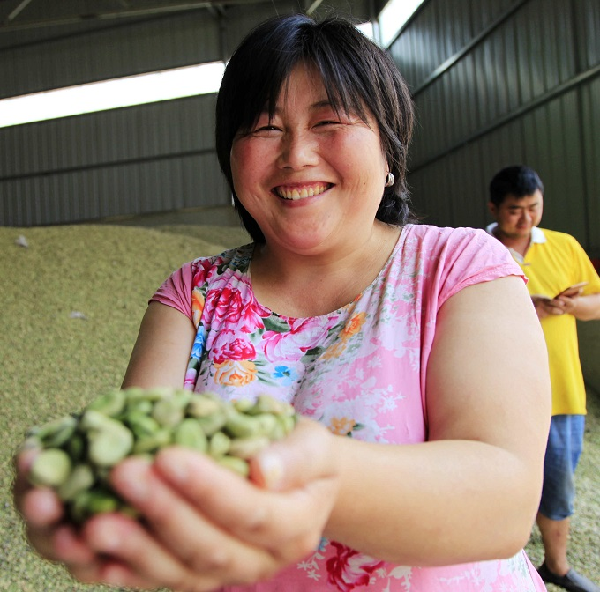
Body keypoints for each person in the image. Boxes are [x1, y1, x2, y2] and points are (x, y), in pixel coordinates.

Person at [14, 15, 552, 592]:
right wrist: (89, 500)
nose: (296, 155)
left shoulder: (460, 266)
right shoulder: (193, 296)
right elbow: (137, 477)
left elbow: (502, 504)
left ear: (389, 149)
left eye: (329, 122)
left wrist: (314, 474)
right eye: (264, 127)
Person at [487, 165, 600, 592]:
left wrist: (569, 305)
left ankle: (555, 565)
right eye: (515, 210)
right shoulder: (476, 247)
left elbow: (597, 302)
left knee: (558, 480)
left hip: (561, 390)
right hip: (497, 391)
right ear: (494, 208)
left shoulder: (564, 246)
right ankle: (498, 565)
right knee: (500, 481)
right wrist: (524, 303)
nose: (526, 218)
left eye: (533, 207)